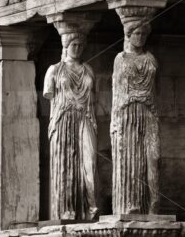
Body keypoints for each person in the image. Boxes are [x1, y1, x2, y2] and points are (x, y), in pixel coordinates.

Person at [43, 32, 99, 220]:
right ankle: (66, 211)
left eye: (80, 45)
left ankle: (89, 207)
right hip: (63, 120)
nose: (77, 48)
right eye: (73, 44)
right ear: (65, 46)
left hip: (85, 119)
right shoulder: (54, 70)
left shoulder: (88, 70)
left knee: (89, 163)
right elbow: (49, 94)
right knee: (65, 165)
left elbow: (94, 99)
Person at [111, 20, 160, 215]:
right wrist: (115, 121)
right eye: (136, 33)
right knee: (131, 159)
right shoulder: (120, 59)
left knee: (154, 158)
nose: (140, 37)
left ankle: (153, 205)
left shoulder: (151, 59)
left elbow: (157, 90)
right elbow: (116, 90)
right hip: (127, 112)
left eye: (143, 34)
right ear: (128, 35)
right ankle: (132, 205)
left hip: (148, 112)